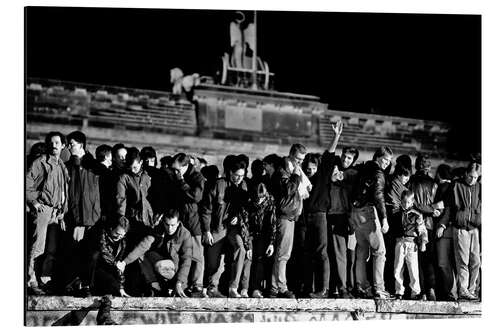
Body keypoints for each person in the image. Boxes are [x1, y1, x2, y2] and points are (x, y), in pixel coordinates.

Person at [199, 157, 249, 298]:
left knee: (240, 248)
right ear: (229, 172)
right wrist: (207, 230)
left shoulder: (244, 186)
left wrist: (239, 217)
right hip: (217, 227)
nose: (239, 178)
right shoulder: (218, 185)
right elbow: (206, 209)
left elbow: (246, 209)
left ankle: (233, 287)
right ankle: (210, 287)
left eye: (242, 176)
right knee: (212, 261)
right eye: (236, 175)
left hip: (234, 228)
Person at [26, 131, 69, 295]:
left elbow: (64, 191)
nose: (54, 145)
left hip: (56, 213)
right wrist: (34, 201)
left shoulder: (62, 165)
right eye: (51, 142)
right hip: (43, 209)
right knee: (37, 247)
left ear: (63, 145)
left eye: (57, 142)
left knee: (50, 250)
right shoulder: (40, 162)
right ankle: (31, 281)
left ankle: (43, 280)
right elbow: (26, 183)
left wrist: (62, 212)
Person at [304, 121, 343, 298]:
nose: (309, 171)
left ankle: (323, 289)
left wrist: (336, 136)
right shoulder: (303, 178)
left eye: (312, 168)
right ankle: (309, 288)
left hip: (320, 216)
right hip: (305, 217)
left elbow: (329, 155)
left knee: (321, 252)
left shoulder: (322, 175)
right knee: (308, 253)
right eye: (308, 169)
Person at [117, 209, 193, 297]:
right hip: (160, 261)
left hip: (174, 268)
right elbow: (143, 245)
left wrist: (179, 282)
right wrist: (124, 262)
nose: (169, 228)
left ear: (178, 223)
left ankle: (171, 285)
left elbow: (186, 260)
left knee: (160, 266)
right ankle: (155, 285)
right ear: (163, 222)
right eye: (167, 224)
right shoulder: (158, 229)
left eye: (173, 225)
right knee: (141, 254)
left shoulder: (185, 234)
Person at [62, 131, 102, 295]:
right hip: (73, 217)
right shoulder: (67, 167)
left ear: (81, 144)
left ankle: (87, 286)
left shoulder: (94, 166)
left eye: (71, 144)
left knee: (91, 254)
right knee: (74, 252)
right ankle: (74, 284)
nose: (69, 147)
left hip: (92, 218)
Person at [350, 146, 393, 299]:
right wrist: (384, 218)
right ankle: (379, 289)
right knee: (380, 252)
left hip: (355, 212)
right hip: (368, 212)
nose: (387, 163)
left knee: (362, 251)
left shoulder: (363, 168)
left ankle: (361, 287)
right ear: (378, 157)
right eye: (386, 159)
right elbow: (378, 195)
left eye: (389, 161)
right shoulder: (378, 173)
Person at [268, 144, 308, 298]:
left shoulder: (291, 169)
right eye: (297, 158)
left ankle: (274, 287)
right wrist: (297, 176)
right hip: (284, 216)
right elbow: (288, 190)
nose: (299, 162)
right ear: (291, 155)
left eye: (302, 160)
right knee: (283, 253)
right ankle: (280, 286)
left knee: (283, 253)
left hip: (290, 216)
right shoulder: (283, 171)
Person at [166, 153, 206, 297]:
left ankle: (197, 286)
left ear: (186, 166)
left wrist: (181, 181)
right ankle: (182, 284)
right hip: (178, 221)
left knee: (197, 256)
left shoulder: (197, 177)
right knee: (179, 254)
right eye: (173, 169)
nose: (174, 172)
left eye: (177, 169)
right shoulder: (174, 176)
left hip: (193, 222)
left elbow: (196, 197)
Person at [327, 144, 359, 299]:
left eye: (349, 158)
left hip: (342, 216)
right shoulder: (337, 168)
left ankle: (344, 288)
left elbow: (337, 178)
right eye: (344, 156)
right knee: (331, 254)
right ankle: (335, 287)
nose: (345, 160)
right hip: (330, 214)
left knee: (342, 255)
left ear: (353, 160)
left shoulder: (352, 174)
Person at [409, 153, 442, 301]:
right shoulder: (435, 184)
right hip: (429, 225)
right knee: (428, 259)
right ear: (429, 167)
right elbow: (439, 207)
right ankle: (431, 289)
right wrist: (432, 210)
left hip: (413, 223)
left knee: (415, 259)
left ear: (416, 166)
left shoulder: (411, 182)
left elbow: (412, 203)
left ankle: (420, 291)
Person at [449, 162, 481, 300]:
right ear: (466, 174)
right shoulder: (457, 185)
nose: (473, 180)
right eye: (471, 176)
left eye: (476, 177)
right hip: (461, 228)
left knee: (476, 261)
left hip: (474, 228)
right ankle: (463, 290)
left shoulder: (479, 187)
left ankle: (472, 290)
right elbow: (451, 205)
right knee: (463, 261)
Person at [392, 190, 428, 300]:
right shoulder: (396, 213)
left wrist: (423, 242)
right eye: (403, 202)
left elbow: (422, 230)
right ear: (400, 201)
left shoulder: (417, 214)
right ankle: (399, 291)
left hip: (412, 243)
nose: (405, 204)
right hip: (400, 242)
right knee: (398, 268)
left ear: (412, 202)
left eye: (408, 202)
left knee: (413, 268)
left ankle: (415, 292)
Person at [116, 147, 155, 246]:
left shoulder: (147, 176)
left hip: (148, 218)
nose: (133, 171)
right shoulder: (124, 178)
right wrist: (121, 217)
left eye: (135, 167)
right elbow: (121, 198)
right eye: (130, 168)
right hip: (132, 218)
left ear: (141, 162)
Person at [383, 161, 411, 295]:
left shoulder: (392, 183)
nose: (407, 179)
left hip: (391, 222)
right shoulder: (398, 186)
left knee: (392, 258)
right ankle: (391, 287)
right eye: (405, 176)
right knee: (393, 258)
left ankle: (391, 287)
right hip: (395, 223)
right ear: (399, 175)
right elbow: (398, 204)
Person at [86, 216, 130, 297]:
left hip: (103, 270)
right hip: (89, 269)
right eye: (117, 233)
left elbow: (119, 266)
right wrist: (115, 263)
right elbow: (103, 250)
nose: (119, 237)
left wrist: (120, 287)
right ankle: (86, 286)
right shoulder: (100, 233)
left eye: (122, 235)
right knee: (94, 255)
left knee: (114, 287)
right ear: (111, 228)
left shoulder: (122, 243)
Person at [246, 183, 277, 298]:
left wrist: (271, 243)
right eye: (258, 198)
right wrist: (247, 244)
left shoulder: (270, 203)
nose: (260, 200)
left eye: (262, 198)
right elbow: (246, 224)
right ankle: (254, 288)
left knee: (265, 260)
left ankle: (265, 288)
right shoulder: (249, 203)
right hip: (252, 235)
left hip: (265, 235)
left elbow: (273, 224)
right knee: (254, 260)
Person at [433, 164, 457, 301]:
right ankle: (452, 292)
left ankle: (451, 292)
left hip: (444, 230)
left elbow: (445, 207)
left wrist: (441, 225)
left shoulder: (444, 187)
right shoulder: (453, 186)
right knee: (455, 263)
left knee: (443, 263)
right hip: (453, 229)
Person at [94, 144, 114, 221]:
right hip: (102, 211)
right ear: (106, 157)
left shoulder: (91, 170)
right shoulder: (107, 173)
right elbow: (106, 194)